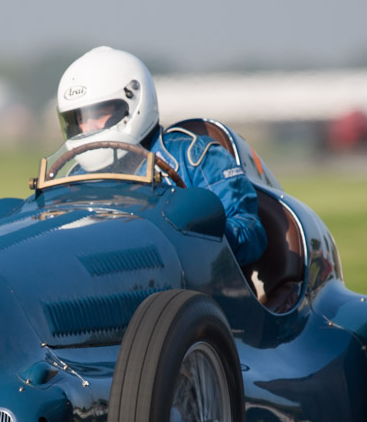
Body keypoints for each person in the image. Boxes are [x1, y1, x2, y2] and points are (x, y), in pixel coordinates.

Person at [56, 46, 267, 266]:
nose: (87, 126)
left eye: (99, 114)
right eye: (78, 118)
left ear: (133, 102)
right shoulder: (76, 177)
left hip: (192, 289)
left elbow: (251, 231)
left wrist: (198, 236)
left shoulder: (194, 158)